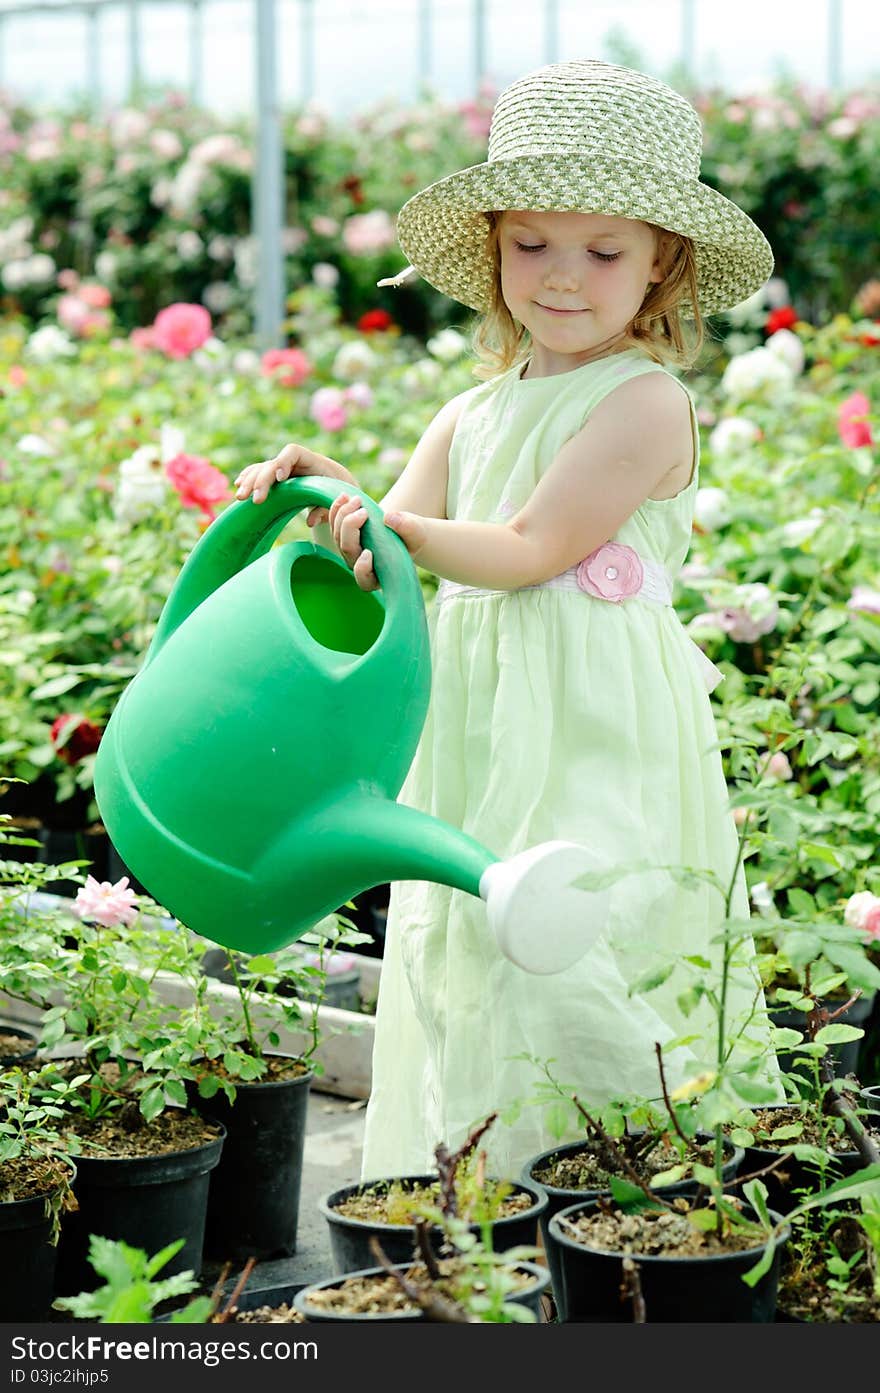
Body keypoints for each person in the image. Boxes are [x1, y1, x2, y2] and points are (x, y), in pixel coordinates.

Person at [234, 59, 780, 1179]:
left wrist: (396, 534)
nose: (562, 278)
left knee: (585, 921)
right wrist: (323, 492)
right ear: (491, 249)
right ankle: (497, 1181)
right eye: (531, 244)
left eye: (603, 251)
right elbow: (390, 544)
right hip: (483, 712)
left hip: (590, 710)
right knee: (475, 938)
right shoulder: (471, 411)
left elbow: (531, 548)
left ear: (661, 263)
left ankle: (624, 1173)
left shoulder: (642, 400)